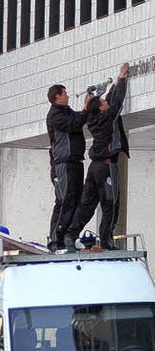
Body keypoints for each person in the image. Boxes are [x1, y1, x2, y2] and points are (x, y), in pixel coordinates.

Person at [64, 63, 129, 251]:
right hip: (107, 166)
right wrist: (122, 77)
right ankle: (107, 241)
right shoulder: (108, 116)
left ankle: (70, 235)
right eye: (103, 102)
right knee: (110, 204)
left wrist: (103, 91)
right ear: (101, 108)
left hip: (94, 167)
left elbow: (109, 100)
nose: (106, 102)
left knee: (87, 203)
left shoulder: (92, 118)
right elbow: (117, 101)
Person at [46, 84, 92, 250]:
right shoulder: (55, 115)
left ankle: (67, 238)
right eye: (64, 93)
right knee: (65, 200)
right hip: (63, 164)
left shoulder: (66, 111)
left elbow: (79, 118)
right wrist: (86, 108)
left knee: (76, 200)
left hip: (75, 162)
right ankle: (55, 241)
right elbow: (75, 124)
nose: (67, 95)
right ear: (57, 96)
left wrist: (90, 105)